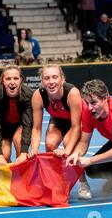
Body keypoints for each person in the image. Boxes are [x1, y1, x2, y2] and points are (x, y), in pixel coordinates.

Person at [28, 64, 92, 199]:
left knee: (70, 145)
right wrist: (33, 149)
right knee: (50, 144)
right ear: (42, 81)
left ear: (62, 79)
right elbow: (36, 128)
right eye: (47, 78)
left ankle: (83, 183)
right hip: (57, 120)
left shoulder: (72, 93)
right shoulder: (38, 95)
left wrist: (67, 150)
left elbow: (76, 126)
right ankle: (56, 183)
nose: (51, 82)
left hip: (74, 123)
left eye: (55, 77)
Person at [0, 66, 33, 166]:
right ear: (2, 81)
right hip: (4, 128)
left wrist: (24, 152)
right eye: (8, 78)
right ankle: (9, 174)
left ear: (21, 80)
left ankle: (21, 170)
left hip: (19, 126)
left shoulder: (29, 94)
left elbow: (28, 124)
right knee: (4, 154)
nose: (12, 82)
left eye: (16, 78)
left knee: (19, 141)